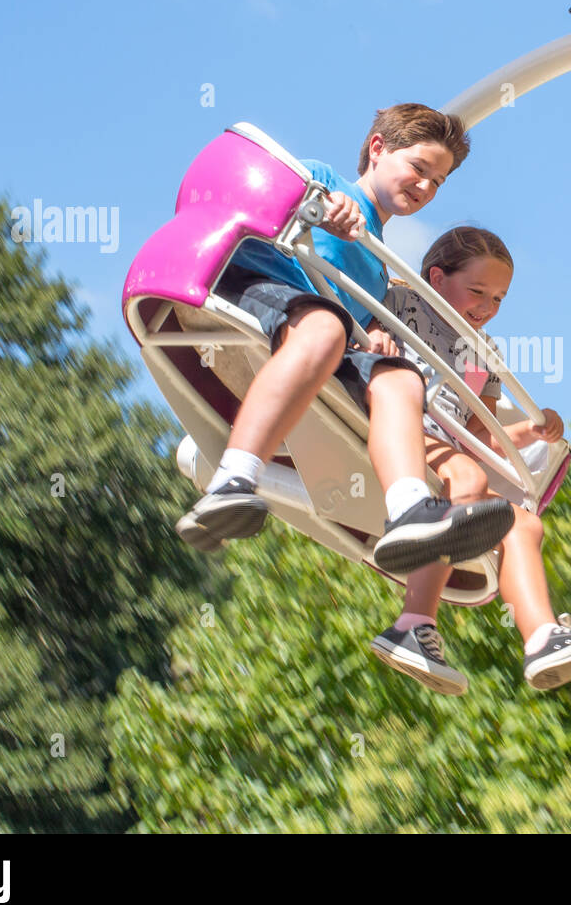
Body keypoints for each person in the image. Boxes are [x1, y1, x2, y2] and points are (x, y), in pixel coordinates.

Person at [175, 105, 514, 571]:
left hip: (329, 339)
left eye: (438, 181)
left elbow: (356, 312)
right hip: (269, 290)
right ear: (378, 148)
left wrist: (374, 330)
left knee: (403, 381)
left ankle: (409, 508)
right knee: (326, 325)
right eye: (419, 169)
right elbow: (267, 197)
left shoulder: (377, 269)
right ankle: (233, 479)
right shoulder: (323, 180)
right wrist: (321, 207)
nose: (426, 187)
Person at [366, 226, 571, 694]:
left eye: (498, 299)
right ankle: (413, 622)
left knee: (523, 525)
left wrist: (532, 430)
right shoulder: (402, 301)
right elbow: (363, 332)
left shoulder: (483, 354)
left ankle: (542, 639)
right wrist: (374, 335)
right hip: (401, 421)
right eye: (478, 292)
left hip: (447, 444)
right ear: (436, 277)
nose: (488, 308)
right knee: (468, 481)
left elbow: (480, 438)